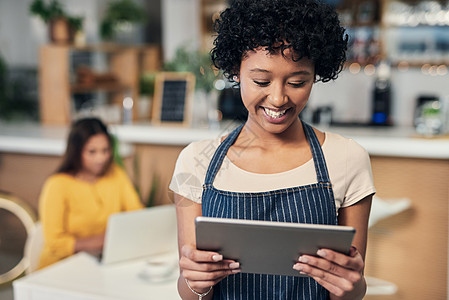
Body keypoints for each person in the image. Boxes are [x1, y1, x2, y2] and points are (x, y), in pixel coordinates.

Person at [169, 0, 375, 299]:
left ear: (316, 75)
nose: (278, 98)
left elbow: (351, 291)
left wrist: (351, 285)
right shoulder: (195, 162)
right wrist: (195, 282)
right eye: (261, 81)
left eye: (297, 82)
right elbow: (190, 292)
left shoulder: (347, 158)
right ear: (236, 71)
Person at [38, 117, 143, 269]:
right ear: (76, 152)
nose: (100, 158)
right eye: (92, 152)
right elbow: (55, 243)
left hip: (99, 261)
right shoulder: (57, 185)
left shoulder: (116, 174)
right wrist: (104, 241)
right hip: (60, 267)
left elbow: (136, 213)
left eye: (105, 150)